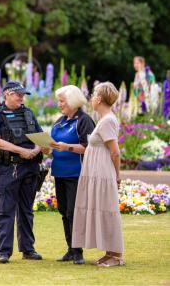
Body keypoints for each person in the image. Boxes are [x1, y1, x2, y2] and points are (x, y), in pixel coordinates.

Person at [0, 80, 43, 264]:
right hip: (8, 168)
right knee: (5, 210)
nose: (21, 97)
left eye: (23, 94)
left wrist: (37, 149)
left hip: (30, 168)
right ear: (7, 94)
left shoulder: (28, 113)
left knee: (26, 211)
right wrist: (21, 151)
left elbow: (40, 136)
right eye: (18, 94)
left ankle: (28, 249)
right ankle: (3, 251)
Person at [72, 82, 125, 267]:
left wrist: (116, 175)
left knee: (108, 211)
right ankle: (109, 252)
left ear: (100, 99)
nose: (92, 98)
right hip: (96, 172)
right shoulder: (104, 120)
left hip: (103, 173)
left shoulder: (108, 120)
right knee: (101, 209)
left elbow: (115, 152)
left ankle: (116, 256)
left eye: (94, 95)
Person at [43, 85, 95, 265]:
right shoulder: (59, 121)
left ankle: (78, 251)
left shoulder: (84, 120)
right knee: (64, 211)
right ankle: (70, 249)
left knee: (74, 212)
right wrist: (46, 148)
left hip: (76, 174)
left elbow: (90, 148)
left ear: (73, 102)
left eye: (62, 101)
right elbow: (54, 146)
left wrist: (68, 147)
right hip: (59, 173)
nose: (59, 105)